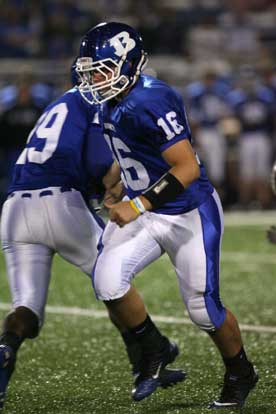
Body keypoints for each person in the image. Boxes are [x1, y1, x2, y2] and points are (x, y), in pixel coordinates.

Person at [75, 21, 259, 407]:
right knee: (108, 282)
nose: (95, 78)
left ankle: (241, 371)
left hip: (187, 211)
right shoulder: (110, 100)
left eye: (102, 69)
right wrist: (117, 181)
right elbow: (131, 151)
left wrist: (137, 203)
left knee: (203, 311)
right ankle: (155, 349)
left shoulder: (152, 98)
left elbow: (187, 168)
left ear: (128, 63)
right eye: (90, 70)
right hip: (146, 210)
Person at [0, 79, 185, 410]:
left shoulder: (57, 103)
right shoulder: (93, 99)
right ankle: (152, 353)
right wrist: (109, 186)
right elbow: (99, 160)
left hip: (14, 207)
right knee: (111, 279)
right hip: (60, 203)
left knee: (25, 308)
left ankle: (6, 346)